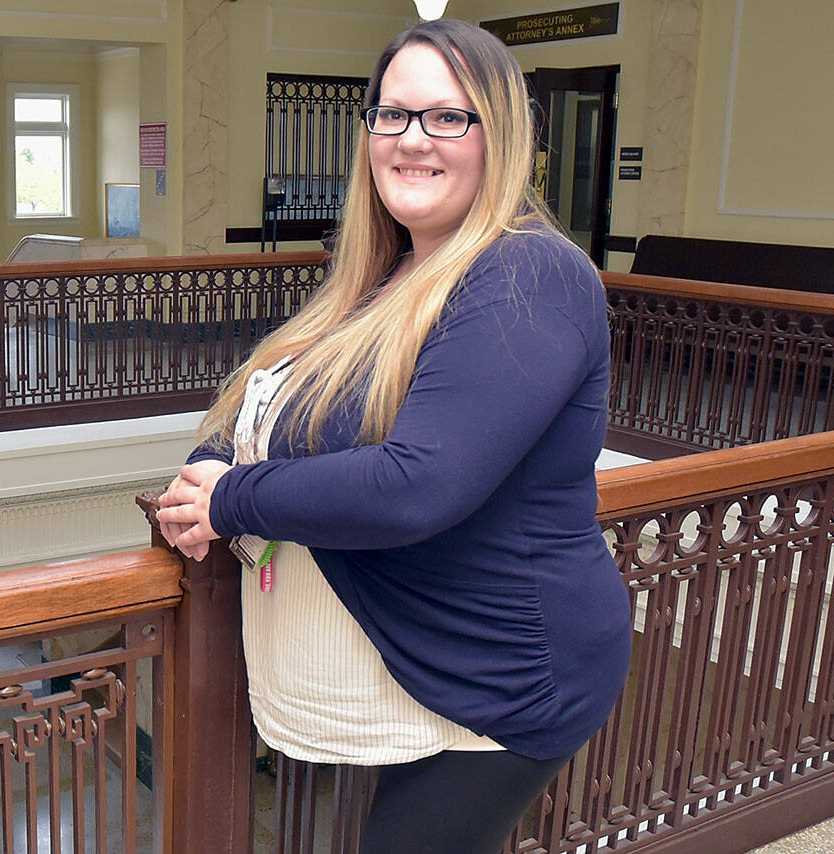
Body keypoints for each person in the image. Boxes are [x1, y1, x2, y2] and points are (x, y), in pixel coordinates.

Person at [155, 18, 633, 854]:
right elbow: (272, 402)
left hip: (507, 669)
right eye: (393, 114)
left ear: (502, 136)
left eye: (449, 117)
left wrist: (231, 500)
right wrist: (210, 465)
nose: (413, 140)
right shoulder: (384, 273)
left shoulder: (529, 272)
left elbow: (419, 484)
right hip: (415, 647)